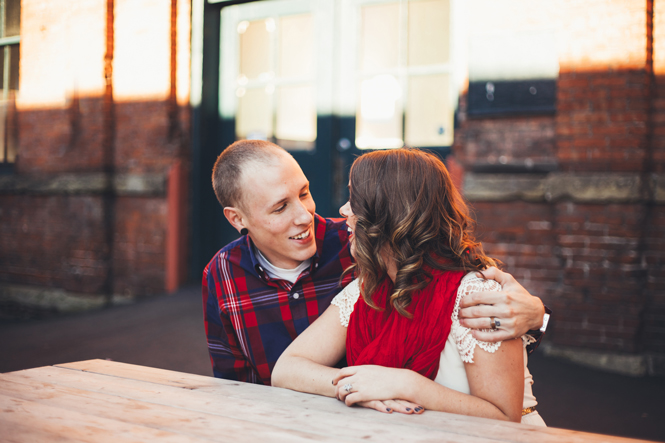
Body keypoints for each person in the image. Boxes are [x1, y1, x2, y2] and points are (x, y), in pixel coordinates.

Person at [203, 140, 549, 386]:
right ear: (237, 219)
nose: (305, 215)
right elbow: (235, 384)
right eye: (280, 208)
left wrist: (538, 315)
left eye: (305, 193)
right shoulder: (223, 275)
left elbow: (461, 285)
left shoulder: (364, 243)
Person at [272, 148, 546, 426]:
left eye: (355, 199)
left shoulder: (475, 296)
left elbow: (504, 418)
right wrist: (358, 387)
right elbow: (286, 369)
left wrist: (407, 385)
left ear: (390, 212)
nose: (343, 211)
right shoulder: (369, 287)